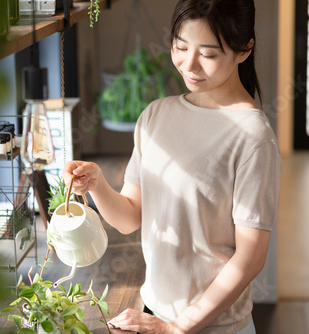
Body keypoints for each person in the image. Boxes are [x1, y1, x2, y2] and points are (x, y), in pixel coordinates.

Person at [62, 0, 282, 333]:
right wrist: (97, 185)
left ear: (244, 49)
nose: (189, 65)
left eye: (208, 54)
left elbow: (250, 258)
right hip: (153, 314)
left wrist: (178, 327)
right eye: (180, 47)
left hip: (216, 327)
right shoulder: (155, 116)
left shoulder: (253, 136)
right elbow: (130, 216)